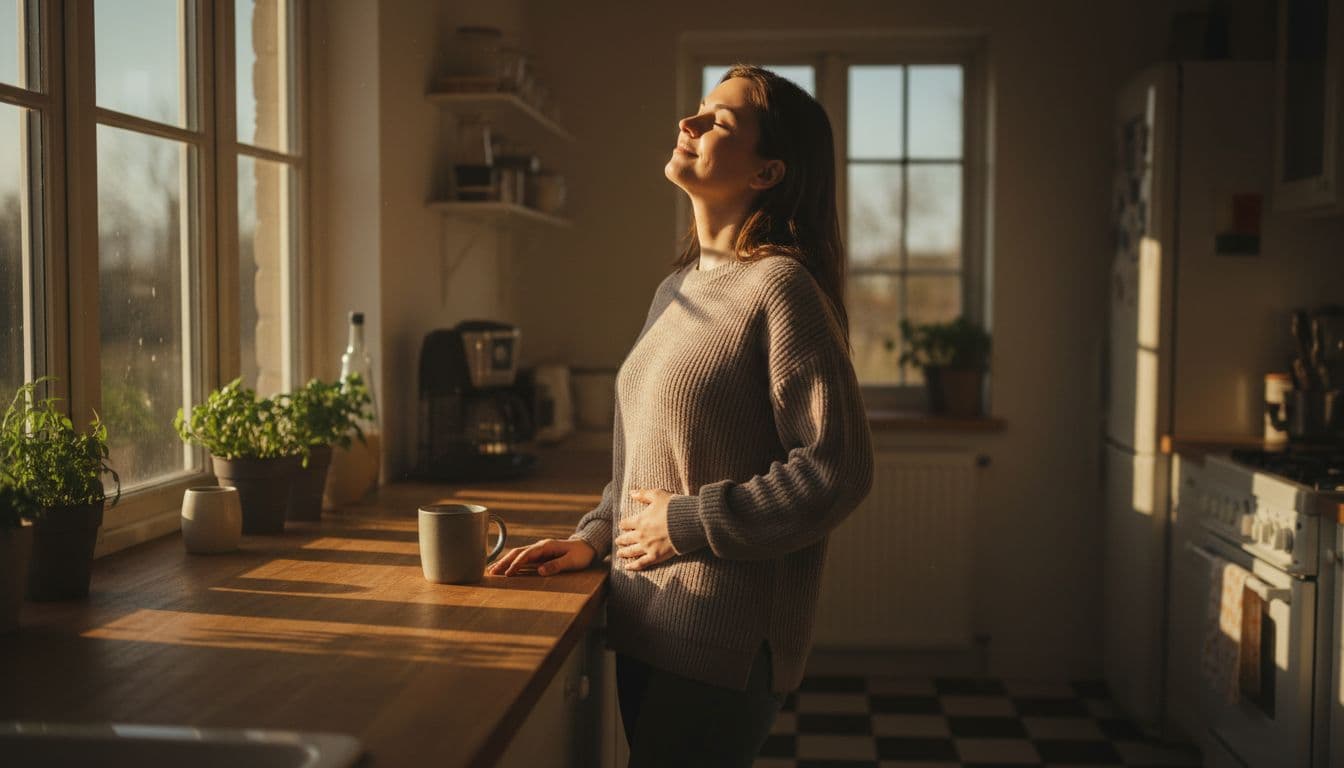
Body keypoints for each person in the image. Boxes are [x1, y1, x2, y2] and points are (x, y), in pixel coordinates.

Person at [488, 64, 875, 767]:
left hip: (721, 639)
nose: (688, 125)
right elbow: (645, 458)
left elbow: (837, 469)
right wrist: (594, 539)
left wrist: (688, 521)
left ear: (767, 173)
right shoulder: (679, 289)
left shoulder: (782, 288)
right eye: (698, 110)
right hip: (647, 621)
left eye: (719, 121)